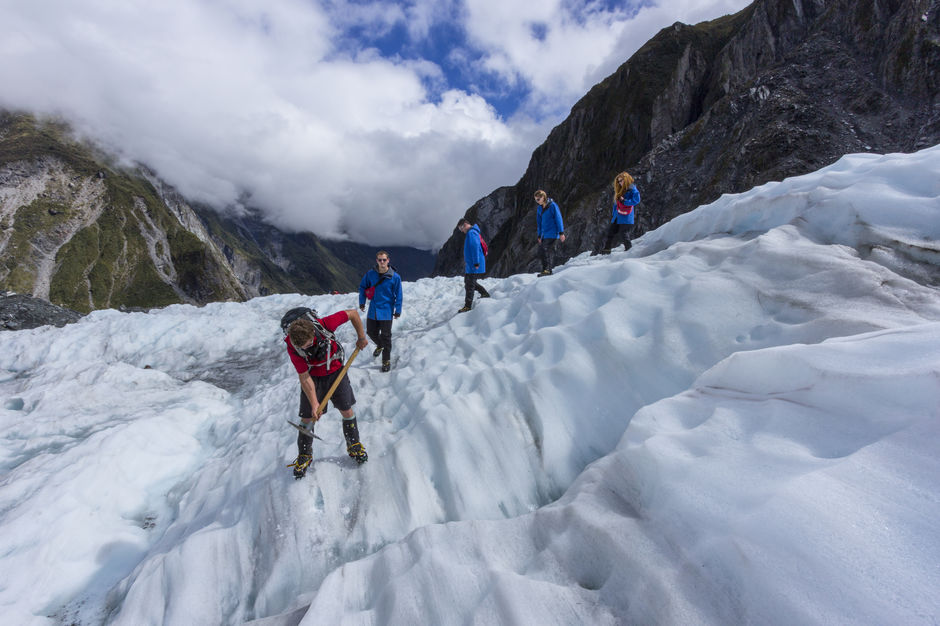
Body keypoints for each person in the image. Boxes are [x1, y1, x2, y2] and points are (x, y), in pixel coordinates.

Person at [285, 308, 370, 478]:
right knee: (308, 417)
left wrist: (361, 337)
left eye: (309, 344)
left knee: (347, 410)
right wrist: (315, 403)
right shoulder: (292, 345)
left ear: (313, 334)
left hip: (337, 372)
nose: (307, 349)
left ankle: (354, 445)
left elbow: (353, 313)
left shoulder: (325, 325)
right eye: (303, 348)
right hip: (314, 378)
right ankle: (304, 454)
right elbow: (304, 376)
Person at [358, 250, 403, 373]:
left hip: (387, 311)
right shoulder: (370, 274)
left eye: (384, 260)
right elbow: (362, 287)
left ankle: (386, 361)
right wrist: (362, 302)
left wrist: (398, 310)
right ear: (376, 261)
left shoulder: (395, 277)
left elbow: (399, 294)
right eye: (379, 260)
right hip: (373, 309)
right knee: (371, 332)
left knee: (386, 336)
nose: (382, 262)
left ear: (388, 260)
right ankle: (380, 345)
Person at [598, 171, 641, 254]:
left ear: (626, 179)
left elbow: (636, 200)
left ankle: (629, 250)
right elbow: (616, 204)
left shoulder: (633, 190)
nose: (620, 182)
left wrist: (625, 201)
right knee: (611, 232)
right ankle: (606, 250)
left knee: (623, 234)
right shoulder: (621, 190)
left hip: (626, 217)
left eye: (621, 180)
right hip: (618, 216)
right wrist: (614, 214)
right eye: (619, 181)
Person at [456, 218, 490, 312]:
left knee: (470, 285)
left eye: (460, 228)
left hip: (474, 264)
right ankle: (484, 293)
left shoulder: (471, 233)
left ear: (464, 225)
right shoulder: (473, 232)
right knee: (468, 282)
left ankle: (467, 306)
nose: (461, 231)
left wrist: (476, 262)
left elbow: (475, 247)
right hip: (471, 264)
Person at [534, 190, 565, 276]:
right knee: (541, 250)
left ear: (543, 197)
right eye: (536, 199)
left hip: (553, 232)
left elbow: (558, 219)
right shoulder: (539, 209)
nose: (537, 201)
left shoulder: (553, 206)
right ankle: (546, 270)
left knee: (544, 249)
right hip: (545, 234)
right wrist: (539, 235)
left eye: (538, 199)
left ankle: (547, 270)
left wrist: (561, 232)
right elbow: (539, 223)